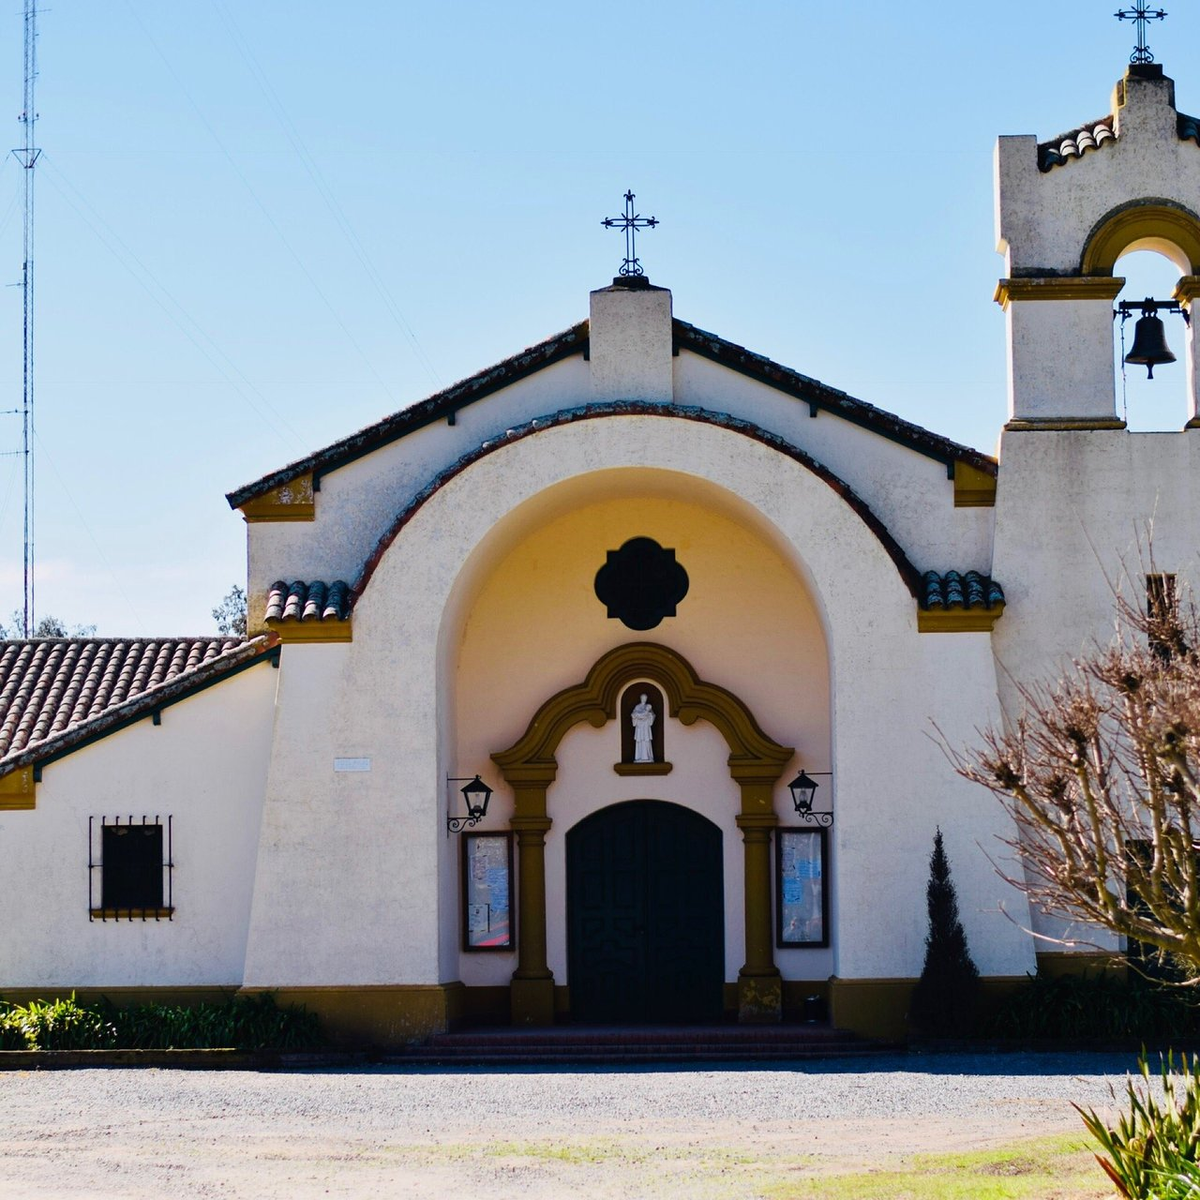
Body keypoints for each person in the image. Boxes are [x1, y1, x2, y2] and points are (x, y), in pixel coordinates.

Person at [631, 693, 655, 762]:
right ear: (641, 698)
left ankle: (648, 756)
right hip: (640, 727)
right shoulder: (637, 707)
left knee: (646, 740)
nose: (644, 699)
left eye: (645, 698)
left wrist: (650, 715)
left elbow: (652, 716)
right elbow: (633, 714)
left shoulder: (648, 707)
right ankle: (639, 756)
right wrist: (638, 716)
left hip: (646, 726)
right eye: (643, 698)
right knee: (640, 741)